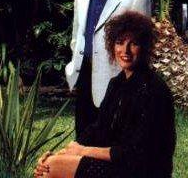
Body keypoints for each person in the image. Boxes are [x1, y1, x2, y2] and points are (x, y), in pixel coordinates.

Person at [36, 11, 175, 178]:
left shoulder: (153, 90)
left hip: (143, 171)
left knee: (52, 168)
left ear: (144, 47)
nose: (125, 50)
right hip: (119, 164)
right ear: (112, 45)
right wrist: (63, 153)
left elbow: (135, 154)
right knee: (48, 165)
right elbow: (99, 128)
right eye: (120, 42)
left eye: (133, 43)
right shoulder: (117, 83)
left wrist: (81, 151)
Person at [65, 0, 152, 138]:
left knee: (111, 139)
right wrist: (74, 67)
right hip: (84, 75)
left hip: (116, 78)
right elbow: (77, 36)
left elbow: (142, 47)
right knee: (83, 137)